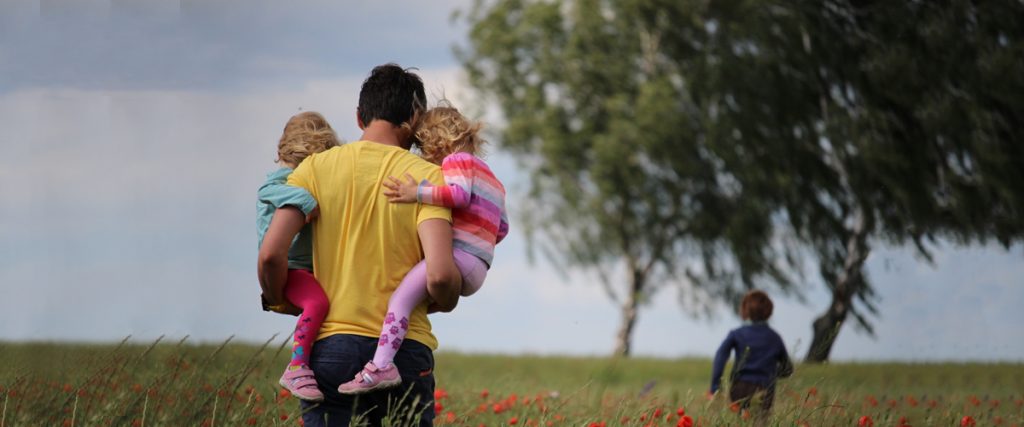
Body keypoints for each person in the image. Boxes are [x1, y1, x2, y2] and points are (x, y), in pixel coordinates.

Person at [258, 63, 462, 427]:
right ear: (415, 117)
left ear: (358, 117)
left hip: (331, 349)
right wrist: (444, 301)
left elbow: (272, 253)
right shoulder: (429, 179)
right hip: (405, 351)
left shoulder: (312, 170)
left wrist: (278, 298)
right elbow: (442, 276)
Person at [338, 102, 509, 394]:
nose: (424, 156)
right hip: (479, 266)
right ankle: (390, 350)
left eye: (423, 147)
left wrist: (415, 193)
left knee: (399, 301)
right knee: (413, 302)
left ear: (437, 141)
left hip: (458, 258)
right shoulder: (493, 179)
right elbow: (502, 228)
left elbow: (457, 195)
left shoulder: (457, 162)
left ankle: (381, 366)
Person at [256, 111, 339, 402]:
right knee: (318, 302)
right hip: (290, 268)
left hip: (304, 268)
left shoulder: (299, 178)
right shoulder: (282, 180)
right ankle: (297, 366)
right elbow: (268, 191)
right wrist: (306, 201)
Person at [709, 290, 794, 424]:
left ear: (745, 310)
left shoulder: (736, 334)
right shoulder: (774, 338)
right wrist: (770, 373)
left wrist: (715, 387)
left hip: (739, 387)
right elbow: (788, 369)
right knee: (760, 422)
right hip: (765, 388)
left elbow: (720, 356)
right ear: (768, 311)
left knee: (742, 421)